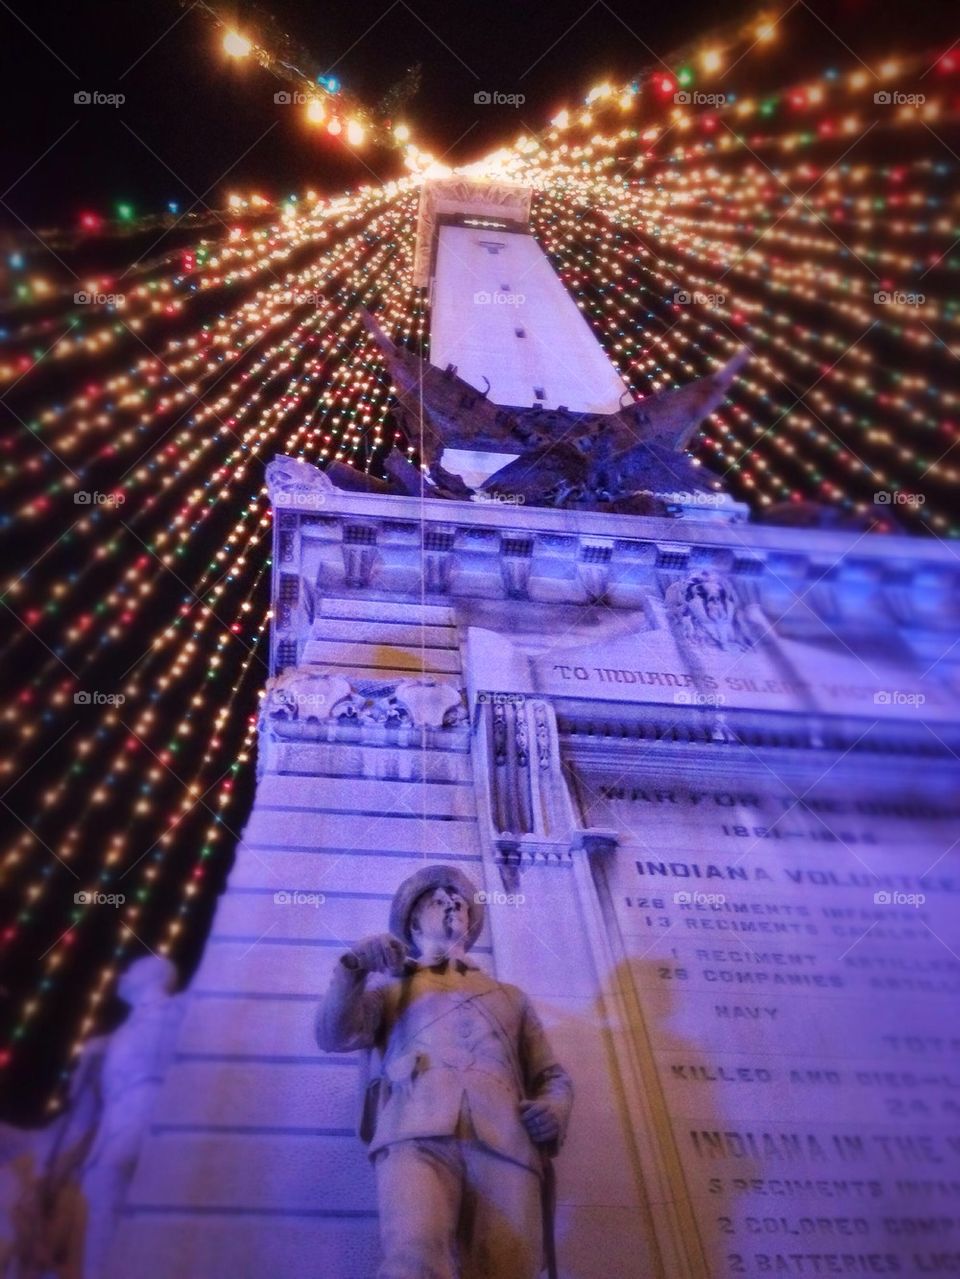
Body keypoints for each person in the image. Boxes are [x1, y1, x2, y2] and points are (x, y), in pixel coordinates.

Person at [316, 864, 573, 1279]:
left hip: (506, 1139)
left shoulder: (511, 997)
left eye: (459, 903)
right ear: (413, 920)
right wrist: (354, 967)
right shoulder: (391, 989)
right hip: (414, 1133)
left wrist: (554, 1109)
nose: (452, 906)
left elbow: (551, 1075)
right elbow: (334, 1035)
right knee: (413, 1259)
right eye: (438, 901)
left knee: (509, 1267)